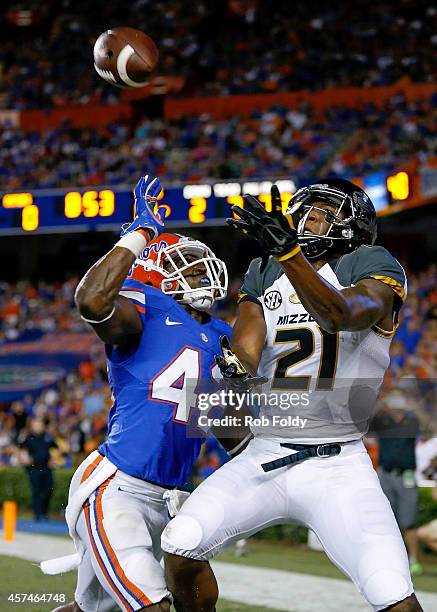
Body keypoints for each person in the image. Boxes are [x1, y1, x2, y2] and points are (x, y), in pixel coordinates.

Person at [161, 179, 423, 612]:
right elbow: (245, 347)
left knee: (391, 594)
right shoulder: (266, 269)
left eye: (325, 209)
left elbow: (340, 315)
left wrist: (291, 256)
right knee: (181, 544)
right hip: (264, 453)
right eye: (307, 208)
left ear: (354, 222)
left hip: (338, 465)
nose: (311, 216)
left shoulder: (372, 262)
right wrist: (232, 369)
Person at [49, 174, 242, 612]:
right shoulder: (143, 307)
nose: (198, 269)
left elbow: (227, 426)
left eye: (197, 261)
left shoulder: (222, 335)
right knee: (151, 605)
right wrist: (141, 233)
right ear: (154, 272)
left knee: (96, 610)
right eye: (183, 262)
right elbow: (93, 301)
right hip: (117, 488)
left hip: (171, 497)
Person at [372, 392, 422, 575]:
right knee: (386, 520)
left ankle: (413, 559)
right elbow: (365, 422)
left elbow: (428, 424)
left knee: (408, 521)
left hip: (405, 475)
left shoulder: (411, 421)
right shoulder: (384, 422)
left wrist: (413, 406)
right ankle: (387, 558)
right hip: (386, 474)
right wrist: (382, 403)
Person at [20, 418, 57, 520]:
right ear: (32, 427)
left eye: (40, 425)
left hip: (47, 468)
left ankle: (44, 512)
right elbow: (21, 449)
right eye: (36, 425)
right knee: (36, 491)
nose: (38, 427)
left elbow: (56, 448)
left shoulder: (47, 437)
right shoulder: (28, 438)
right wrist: (25, 459)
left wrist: (54, 459)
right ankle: (37, 514)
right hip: (34, 468)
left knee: (48, 490)